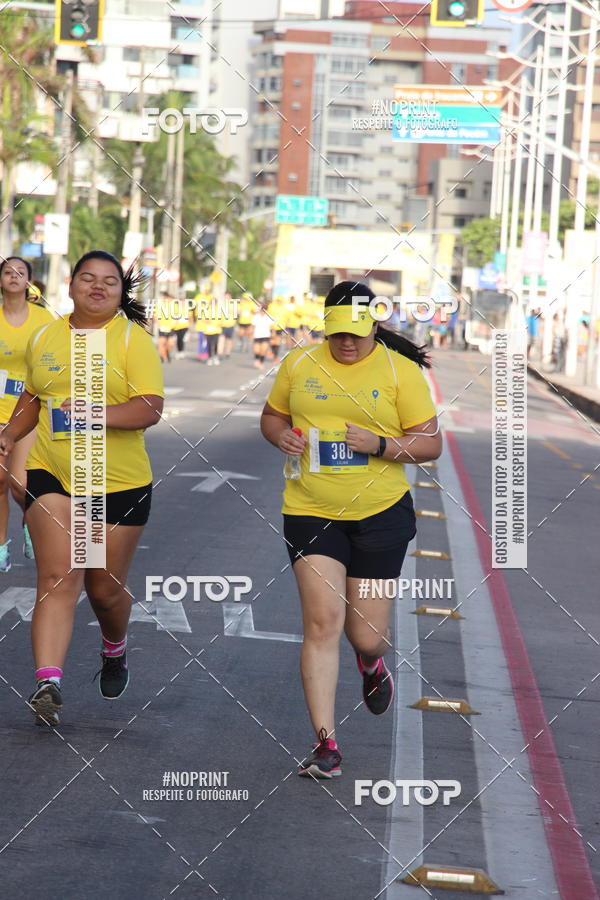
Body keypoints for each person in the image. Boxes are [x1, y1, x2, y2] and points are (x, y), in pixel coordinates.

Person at [260, 281, 441, 779]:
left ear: (373, 327)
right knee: (322, 625)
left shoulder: (398, 371)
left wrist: (380, 445)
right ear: (325, 326)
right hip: (310, 510)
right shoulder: (299, 364)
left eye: (356, 335)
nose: (346, 344)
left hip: (381, 515)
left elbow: (430, 444)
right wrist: (281, 437)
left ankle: (371, 664)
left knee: (368, 636)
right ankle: (326, 743)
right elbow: (272, 416)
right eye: (337, 333)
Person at [0, 250, 164, 726]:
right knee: (58, 576)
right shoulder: (46, 334)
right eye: (87, 279)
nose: (97, 287)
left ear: (119, 292)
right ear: (69, 286)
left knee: (104, 588)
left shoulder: (133, 340)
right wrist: (10, 434)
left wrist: (98, 413)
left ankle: (114, 647)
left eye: (108, 282)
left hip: (118, 481)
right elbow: (33, 396)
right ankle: (48, 682)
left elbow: (149, 407)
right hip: (55, 472)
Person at [0, 256, 55, 570]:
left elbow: (55, 359)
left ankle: (30, 521)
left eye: (21, 272)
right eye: (8, 271)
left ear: (29, 281)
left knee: (19, 483)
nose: (14, 276)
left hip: (28, 410)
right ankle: (1, 547)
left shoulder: (43, 318)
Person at [252, 303, 272, 369]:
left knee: (263, 350)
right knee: (257, 350)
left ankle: (261, 362)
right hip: (257, 335)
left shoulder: (269, 317)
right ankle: (257, 359)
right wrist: (251, 333)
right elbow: (253, 325)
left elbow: (272, 326)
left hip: (265, 335)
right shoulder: (256, 316)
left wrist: (273, 333)